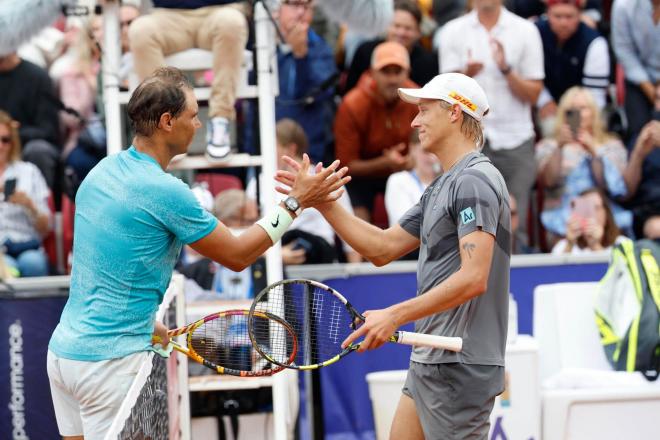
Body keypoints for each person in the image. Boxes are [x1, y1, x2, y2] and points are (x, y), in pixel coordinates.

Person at [46, 67, 350, 439]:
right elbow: (239, 254)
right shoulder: (166, 192)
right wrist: (295, 203)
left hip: (64, 355)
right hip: (108, 364)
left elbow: (106, 269)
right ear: (167, 121)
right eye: (193, 116)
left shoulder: (101, 172)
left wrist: (143, 325)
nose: (200, 125)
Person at [277, 72, 511, 438]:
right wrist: (322, 202)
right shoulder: (443, 185)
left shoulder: (474, 180)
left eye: (423, 110)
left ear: (454, 113)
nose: (415, 120)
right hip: (431, 357)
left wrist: (395, 315)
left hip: (458, 362)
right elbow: (382, 249)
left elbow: (473, 277)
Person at [439, 0, 544, 248]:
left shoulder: (526, 31)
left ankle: (516, 286)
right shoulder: (452, 31)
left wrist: (507, 70)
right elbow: (443, 97)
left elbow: (534, 95)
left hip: (516, 140)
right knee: (466, 225)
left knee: (514, 228)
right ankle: (470, 285)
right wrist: (466, 75)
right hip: (467, 144)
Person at [129, 0, 249, 160]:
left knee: (232, 23)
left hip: (221, 11)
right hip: (167, 16)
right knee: (140, 31)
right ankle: (164, 125)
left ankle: (221, 118)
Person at [243, 0, 338, 164]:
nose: (301, 12)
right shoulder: (261, 44)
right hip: (263, 148)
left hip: (307, 153)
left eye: (306, 6)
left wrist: (301, 56)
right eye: (294, 4)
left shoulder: (321, 49)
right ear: (277, 10)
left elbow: (318, 94)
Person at [335, 41, 418, 222]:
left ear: (408, 73)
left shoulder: (417, 99)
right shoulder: (353, 105)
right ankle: (358, 250)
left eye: (398, 72)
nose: (392, 79)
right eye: (385, 72)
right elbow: (346, 164)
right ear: (372, 73)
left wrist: (414, 158)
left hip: (404, 171)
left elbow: (428, 142)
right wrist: (384, 163)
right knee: (358, 224)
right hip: (361, 177)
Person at [536, 86, 631, 239]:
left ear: (594, 112)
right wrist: (559, 147)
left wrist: (594, 152)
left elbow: (615, 188)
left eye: (583, 108)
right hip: (564, 218)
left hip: (604, 214)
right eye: (572, 109)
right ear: (563, 114)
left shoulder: (612, 145)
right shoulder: (549, 146)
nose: (578, 113)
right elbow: (548, 181)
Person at [535, 0, 610, 137]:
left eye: (569, 16)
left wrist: (575, 118)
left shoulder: (595, 42)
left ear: (580, 15)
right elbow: (528, 73)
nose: (563, 22)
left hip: (581, 105)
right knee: (552, 128)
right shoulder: (534, 32)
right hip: (547, 100)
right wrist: (544, 100)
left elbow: (595, 96)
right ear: (548, 14)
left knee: (576, 134)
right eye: (557, 16)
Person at [343, 0, 438, 95]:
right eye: (396, 26)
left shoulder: (428, 62)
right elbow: (350, 92)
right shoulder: (365, 52)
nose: (401, 33)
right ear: (386, 26)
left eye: (408, 28)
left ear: (418, 32)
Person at [0, 110, 52, 277]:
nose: (0, 145)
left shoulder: (28, 172)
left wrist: (29, 205)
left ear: (13, 142)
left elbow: (47, 228)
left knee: (34, 263)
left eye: (5, 140)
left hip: (27, 245)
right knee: (5, 269)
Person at [0, 52, 61, 189]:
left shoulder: (37, 77)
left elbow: (49, 129)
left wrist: (13, 132)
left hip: (28, 145)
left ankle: (42, 203)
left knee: (38, 150)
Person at [611, 0, 660, 142]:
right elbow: (624, 51)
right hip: (639, 80)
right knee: (639, 133)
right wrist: (652, 92)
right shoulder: (623, 5)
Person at [622, 82, 660, 240]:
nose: (658, 107)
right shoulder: (643, 137)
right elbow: (626, 192)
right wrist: (638, 154)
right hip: (650, 212)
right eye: (657, 99)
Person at [384, 130, 440, 227]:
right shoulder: (398, 181)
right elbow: (406, 225)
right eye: (426, 151)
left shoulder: (447, 181)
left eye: (436, 151)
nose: (433, 158)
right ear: (412, 149)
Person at [551, 188, 625, 254]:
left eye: (596, 208)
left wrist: (595, 245)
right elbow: (557, 269)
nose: (591, 214)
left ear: (606, 213)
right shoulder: (563, 246)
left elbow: (616, 269)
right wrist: (569, 244)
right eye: (586, 208)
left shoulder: (621, 243)